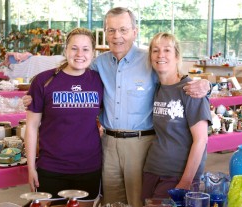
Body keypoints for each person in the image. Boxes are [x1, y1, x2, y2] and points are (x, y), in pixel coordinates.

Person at [23, 7, 211, 207]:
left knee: (138, 201)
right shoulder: (98, 64)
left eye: (123, 29)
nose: (117, 36)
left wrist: (206, 86)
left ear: (134, 32)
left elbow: (174, 78)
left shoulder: (150, 60)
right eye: (111, 30)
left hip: (141, 143)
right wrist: (33, 94)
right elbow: (72, 68)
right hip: (107, 144)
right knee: (111, 201)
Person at [24, 28, 103, 207]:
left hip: (89, 166)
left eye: (85, 49)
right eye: (74, 48)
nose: (79, 54)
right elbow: (31, 127)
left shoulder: (98, 81)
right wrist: (30, 168)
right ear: (65, 50)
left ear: (93, 52)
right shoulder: (44, 80)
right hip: (51, 167)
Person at [141, 32, 212, 202]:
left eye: (167, 50)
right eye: (155, 50)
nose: (160, 55)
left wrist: (186, 181)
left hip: (178, 175)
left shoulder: (191, 90)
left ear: (177, 56)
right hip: (152, 169)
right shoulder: (156, 87)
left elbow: (201, 140)